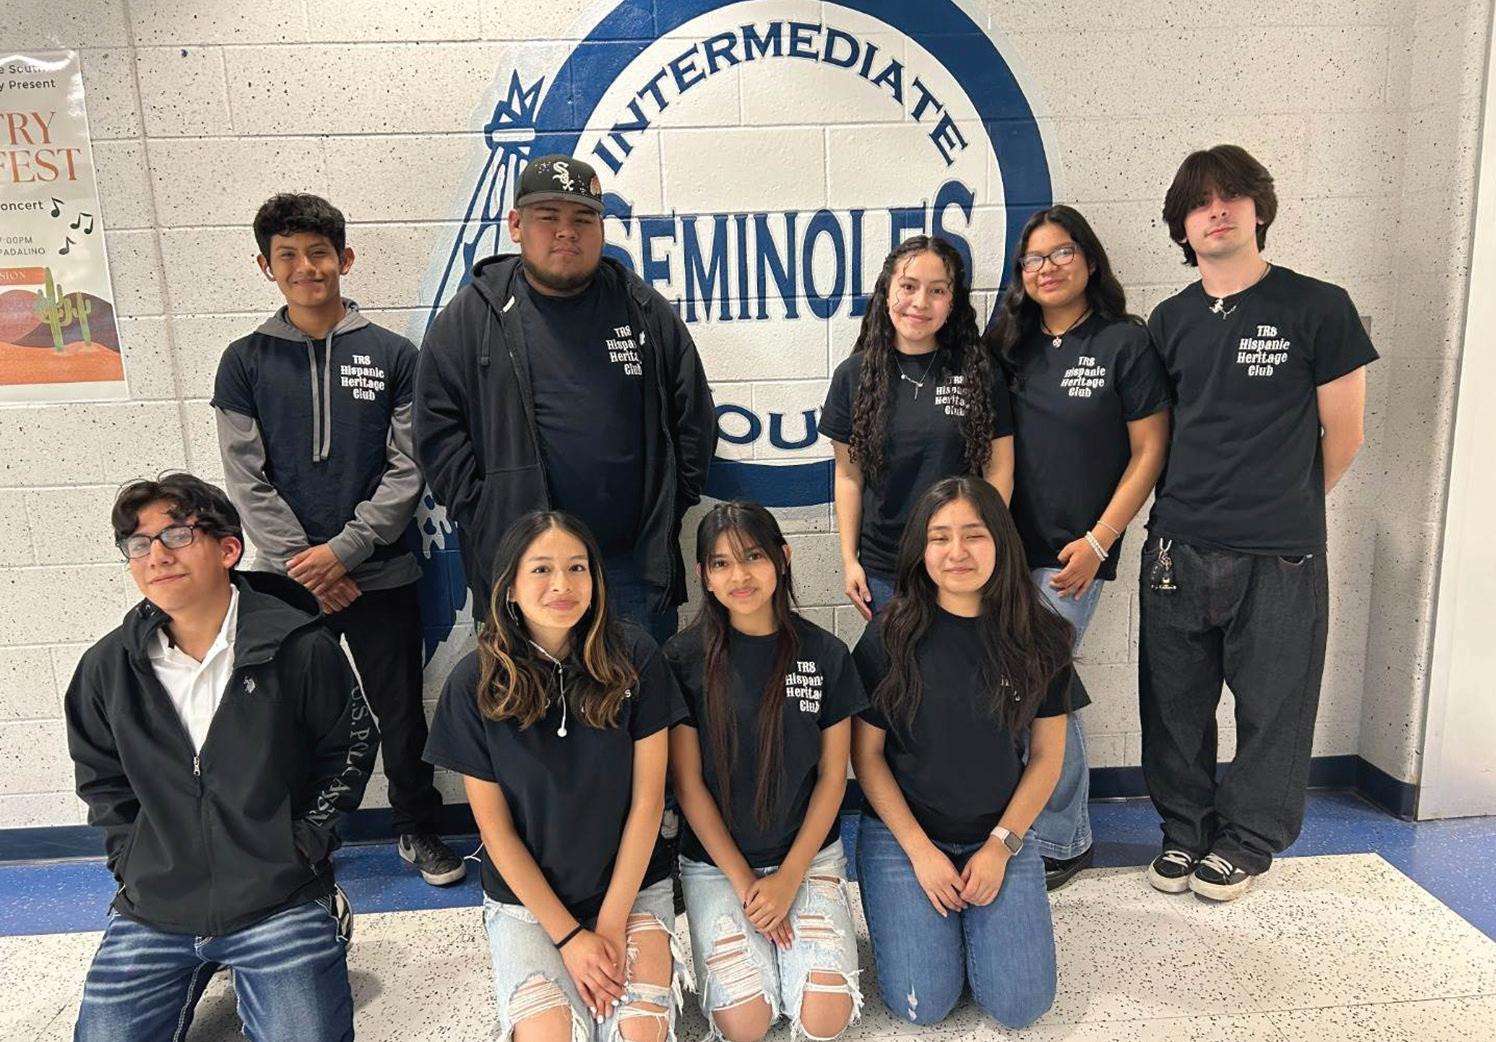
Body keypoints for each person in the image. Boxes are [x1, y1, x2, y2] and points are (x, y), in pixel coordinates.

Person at [1140, 145, 1376, 901]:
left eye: (1231, 196)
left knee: (1275, 705)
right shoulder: (1169, 321)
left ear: (1259, 208)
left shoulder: (1319, 307)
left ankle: (1246, 839)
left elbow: (1345, 434)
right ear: (1181, 227)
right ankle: (1185, 830)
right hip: (1176, 544)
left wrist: (1285, 504)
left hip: (1279, 553)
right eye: (1198, 203)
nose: (1216, 211)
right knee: (1174, 703)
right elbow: (1161, 434)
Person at [66, 473, 377, 1042]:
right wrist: (132, 860)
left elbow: (350, 747)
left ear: (228, 549)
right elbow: (101, 779)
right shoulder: (106, 669)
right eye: (138, 543)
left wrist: (303, 845)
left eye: (176, 535)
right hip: (156, 906)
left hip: (277, 897)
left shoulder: (300, 647)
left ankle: (324, 914)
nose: (156, 555)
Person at [213, 192, 463, 886]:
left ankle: (417, 828)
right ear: (266, 267)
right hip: (286, 584)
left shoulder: (394, 356)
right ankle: (297, 840)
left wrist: (343, 552)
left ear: (344, 259)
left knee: (401, 715)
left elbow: (408, 468)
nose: (306, 268)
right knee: (288, 717)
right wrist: (306, 566)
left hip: (381, 575)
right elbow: (245, 477)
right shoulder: (244, 362)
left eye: (319, 253)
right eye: (288, 256)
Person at [414, 154, 717, 644]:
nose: (566, 232)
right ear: (516, 225)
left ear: (601, 228)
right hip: (521, 570)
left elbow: (694, 419)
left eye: (582, 219)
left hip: (627, 569)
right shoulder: (470, 319)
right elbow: (436, 432)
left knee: (638, 690)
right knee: (528, 692)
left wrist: (666, 504)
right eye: (548, 217)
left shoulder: (642, 310)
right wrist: (487, 513)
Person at [423, 510, 688, 1042]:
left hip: (630, 887)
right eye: (541, 569)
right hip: (529, 901)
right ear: (510, 587)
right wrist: (570, 939)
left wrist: (608, 925)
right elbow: (496, 833)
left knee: (638, 1033)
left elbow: (648, 803)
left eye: (577, 567)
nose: (562, 585)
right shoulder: (475, 681)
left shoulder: (636, 656)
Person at [850, 476, 1082, 1029]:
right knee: (925, 1006)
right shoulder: (888, 637)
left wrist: (1000, 847)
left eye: (974, 535)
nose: (957, 552)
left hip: (999, 832)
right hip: (905, 837)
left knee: (1022, 1007)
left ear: (1000, 542)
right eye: (940, 537)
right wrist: (921, 853)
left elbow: (1048, 758)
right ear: (920, 549)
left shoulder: (1040, 636)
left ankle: (971, 929)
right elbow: (867, 758)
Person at [986, 205, 1172, 890]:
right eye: (1033, 258)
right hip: (1002, 552)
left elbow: (1150, 449)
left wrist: (1100, 540)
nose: (1048, 267)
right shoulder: (1009, 344)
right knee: (1031, 681)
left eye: (1062, 252)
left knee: (1039, 680)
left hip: (1073, 555)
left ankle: (1063, 838)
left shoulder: (1124, 341)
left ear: (1090, 260)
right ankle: (1030, 820)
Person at [664, 502, 865, 1042]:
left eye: (753, 556)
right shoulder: (681, 659)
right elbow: (688, 786)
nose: (740, 575)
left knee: (825, 1017)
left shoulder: (826, 653)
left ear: (783, 557)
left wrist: (790, 877)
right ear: (704, 576)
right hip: (717, 865)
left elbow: (833, 778)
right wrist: (748, 885)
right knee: (744, 1024)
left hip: (808, 855)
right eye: (721, 563)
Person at [819, 235, 1014, 620]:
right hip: (884, 570)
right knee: (894, 661)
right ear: (886, 292)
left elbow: (999, 468)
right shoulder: (853, 376)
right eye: (908, 286)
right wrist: (849, 560)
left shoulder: (978, 371)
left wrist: (984, 542)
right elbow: (848, 476)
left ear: (952, 302)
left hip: (961, 563)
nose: (921, 302)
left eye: (937, 290)